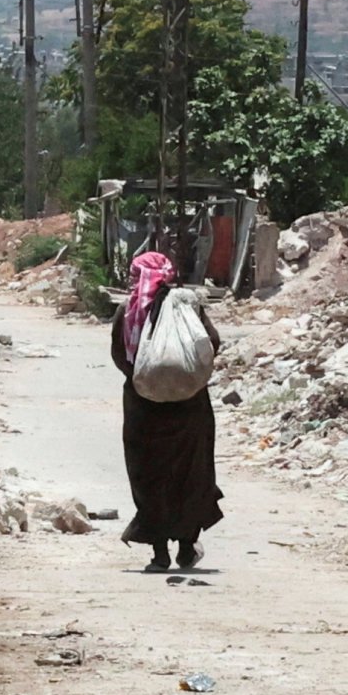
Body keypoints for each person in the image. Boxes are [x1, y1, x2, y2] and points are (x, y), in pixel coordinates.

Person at [111, 246, 223, 574]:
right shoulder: (189, 307)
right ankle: (187, 547)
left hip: (143, 410)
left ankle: (159, 553)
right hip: (190, 408)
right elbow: (212, 343)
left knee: (150, 476)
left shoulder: (128, 311)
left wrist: (145, 383)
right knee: (191, 474)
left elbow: (120, 356)